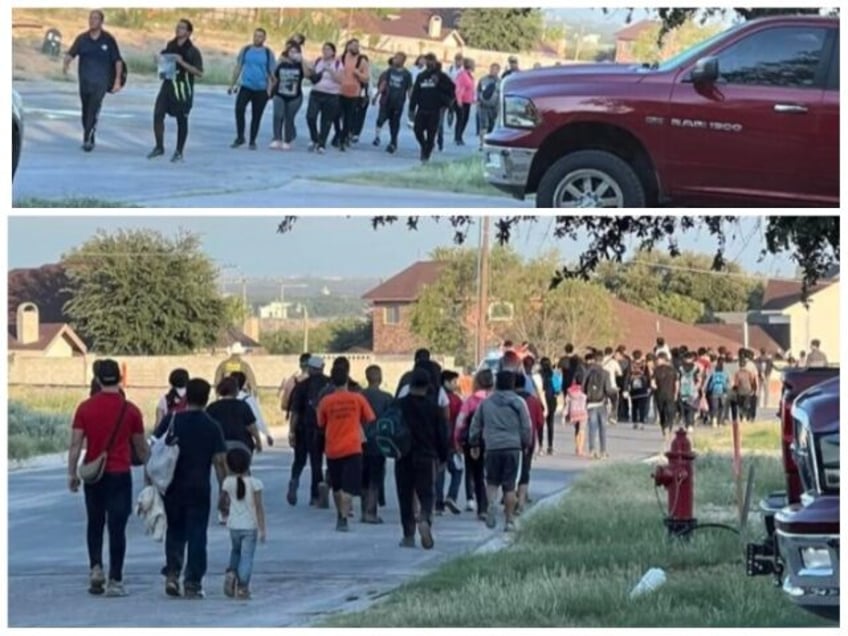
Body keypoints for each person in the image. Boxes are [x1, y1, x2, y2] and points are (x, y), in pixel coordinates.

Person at [68, 359, 148, 597]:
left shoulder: (85, 408)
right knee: (117, 528)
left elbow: (74, 445)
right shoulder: (131, 410)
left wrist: (72, 473)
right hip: (120, 474)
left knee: (95, 523)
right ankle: (115, 579)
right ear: (120, 379)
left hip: (94, 475)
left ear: (98, 380)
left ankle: (95, 568)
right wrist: (151, 470)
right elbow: (141, 448)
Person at [154, 378, 228, 599]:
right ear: (207, 398)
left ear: (186, 397)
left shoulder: (172, 420)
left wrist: (150, 481)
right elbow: (220, 462)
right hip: (199, 488)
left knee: (175, 531)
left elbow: (154, 448)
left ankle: (173, 574)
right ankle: (193, 582)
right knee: (197, 534)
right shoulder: (212, 426)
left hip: (173, 486)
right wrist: (224, 492)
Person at [469, 370, 532, 532]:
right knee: (509, 486)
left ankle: (491, 504)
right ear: (512, 384)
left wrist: (474, 443)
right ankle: (509, 520)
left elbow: (475, 424)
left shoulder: (486, 403)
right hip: (513, 447)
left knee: (492, 482)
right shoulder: (518, 402)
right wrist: (526, 444)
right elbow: (526, 426)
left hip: (492, 448)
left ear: (497, 384)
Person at [316, 365, 376, 532]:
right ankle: (343, 517)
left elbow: (320, 423)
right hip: (353, 447)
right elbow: (370, 417)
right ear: (348, 379)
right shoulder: (358, 399)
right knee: (349, 487)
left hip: (333, 448)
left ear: (332, 381)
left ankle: (339, 514)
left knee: (337, 486)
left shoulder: (326, 401)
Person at [396, 369, 449, 548]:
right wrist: (443, 457)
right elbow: (443, 435)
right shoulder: (434, 409)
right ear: (428, 387)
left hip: (402, 456)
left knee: (405, 496)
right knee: (426, 494)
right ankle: (425, 518)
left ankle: (408, 535)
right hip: (426, 456)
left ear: (410, 385)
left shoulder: (398, 405)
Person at [63, 10, 123, 152]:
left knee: (93, 109)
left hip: (101, 82)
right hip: (85, 81)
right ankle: (90, 134)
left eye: (95, 19)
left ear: (101, 22)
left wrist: (117, 80)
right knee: (86, 110)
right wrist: (66, 64)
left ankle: (87, 139)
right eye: (90, 18)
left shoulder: (108, 39)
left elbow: (117, 61)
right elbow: (71, 53)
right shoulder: (82, 39)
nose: (92, 21)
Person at [206, 377, 261, 524]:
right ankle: (244, 511)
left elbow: (208, 429)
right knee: (243, 479)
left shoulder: (212, 407)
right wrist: (259, 441)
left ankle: (224, 512)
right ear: (236, 390)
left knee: (223, 481)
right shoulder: (242, 406)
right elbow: (252, 427)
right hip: (240, 446)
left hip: (219, 448)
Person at [147, 19, 203, 163]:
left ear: (189, 32)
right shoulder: (170, 45)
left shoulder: (193, 51)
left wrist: (182, 62)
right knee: (158, 114)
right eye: (177, 27)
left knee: (182, 120)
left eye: (182, 28)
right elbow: (164, 60)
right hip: (167, 86)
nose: (178, 30)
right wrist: (158, 60)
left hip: (183, 89)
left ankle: (179, 151)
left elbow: (199, 72)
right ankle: (159, 146)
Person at [221, 446, 266, 600]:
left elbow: (225, 502)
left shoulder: (227, 482)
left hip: (233, 526)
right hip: (250, 526)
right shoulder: (255, 483)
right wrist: (262, 529)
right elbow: (259, 507)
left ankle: (231, 573)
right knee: (246, 557)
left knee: (235, 551)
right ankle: (242, 587)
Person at [287, 356, 330, 507]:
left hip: (302, 428)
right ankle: (315, 496)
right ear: (323, 367)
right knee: (316, 463)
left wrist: (291, 431)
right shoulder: (329, 384)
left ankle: (294, 479)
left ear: (310, 368)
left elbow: (295, 411)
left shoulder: (301, 386)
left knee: (299, 459)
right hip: (321, 429)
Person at [228, 28, 276, 150]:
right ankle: (240, 137)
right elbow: (239, 66)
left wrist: (269, 90)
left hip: (261, 89)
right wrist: (232, 84)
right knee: (239, 109)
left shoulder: (268, 53)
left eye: (260, 36)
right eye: (255, 36)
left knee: (256, 115)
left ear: (264, 39)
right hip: (246, 86)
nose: (257, 38)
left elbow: (271, 73)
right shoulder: (246, 50)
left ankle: (252, 140)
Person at [455, 368, 494, 517]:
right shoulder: (495, 400)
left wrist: (457, 440)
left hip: (473, 442)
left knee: (476, 474)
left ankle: (480, 507)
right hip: (493, 441)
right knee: (492, 475)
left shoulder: (470, 401)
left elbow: (460, 422)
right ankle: (492, 503)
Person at [361, 365, 393, 523]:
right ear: (380, 378)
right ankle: (371, 511)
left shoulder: (359, 396)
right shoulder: (387, 398)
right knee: (375, 478)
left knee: (364, 477)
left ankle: (363, 509)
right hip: (379, 442)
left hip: (360, 441)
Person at [409, 54, 455, 164]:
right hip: (422, 108)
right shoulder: (421, 76)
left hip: (435, 109)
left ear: (435, 61)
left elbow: (452, 88)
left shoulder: (441, 76)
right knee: (417, 130)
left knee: (431, 134)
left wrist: (439, 83)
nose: (429, 63)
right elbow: (415, 93)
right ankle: (424, 146)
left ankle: (426, 155)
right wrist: (411, 109)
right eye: (427, 61)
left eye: (431, 61)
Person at [435, 370, 464, 515]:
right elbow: (460, 422)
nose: (456, 384)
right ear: (445, 382)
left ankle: (438, 504)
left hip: (437, 440)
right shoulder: (455, 400)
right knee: (457, 471)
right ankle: (451, 496)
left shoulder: (434, 397)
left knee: (439, 472)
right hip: (452, 441)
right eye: (453, 382)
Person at [371, 53, 413, 154]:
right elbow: (384, 83)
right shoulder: (390, 71)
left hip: (398, 102)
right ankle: (377, 137)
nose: (395, 60)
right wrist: (376, 95)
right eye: (394, 58)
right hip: (386, 100)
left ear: (403, 60)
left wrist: (412, 103)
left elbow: (409, 89)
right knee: (380, 119)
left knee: (394, 123)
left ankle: (393, 142)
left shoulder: (407, 74)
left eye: (397, 58)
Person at [306, 43, 343, 154]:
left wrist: (330, 70)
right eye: (324, 49)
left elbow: (340, 80)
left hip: (331, 95)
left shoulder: (338, 64)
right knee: (310, 117)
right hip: (316, 93)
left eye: (328, 49)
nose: (325, 51)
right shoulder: (318, 61)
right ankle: (314, 137)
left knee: (326, 121)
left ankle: (322, 143)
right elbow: (312, 75)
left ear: (333, 52)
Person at [270, 41, 308, 149]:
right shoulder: (282, 63)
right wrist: (270, 90)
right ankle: (277, 138)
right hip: (280, 93)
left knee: (289, 118)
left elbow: (307, 74)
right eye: (291, 51)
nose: (293, 54)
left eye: (296, 52)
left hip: (295, 96)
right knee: (278, 115)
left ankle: (287, 139)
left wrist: (302, 61)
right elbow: (274, 77)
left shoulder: (301, 65)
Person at [582, 351, 618, 459]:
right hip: (601, 403)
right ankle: (603, 451)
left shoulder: (588, 372)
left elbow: (583, 388)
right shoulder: (605, 373)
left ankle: (592, 450)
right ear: (602, 360)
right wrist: (613, 393)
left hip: (590, 403)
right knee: (602, 427)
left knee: (592, 427)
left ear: (594, 360)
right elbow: (608, 389)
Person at [338, 39, 370, 151]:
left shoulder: (361, 61)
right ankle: (339, 134)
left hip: (354, 93)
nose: (356, 48)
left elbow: (366, 78)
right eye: (353, 46)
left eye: (357, 46)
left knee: (348, 118)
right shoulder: (341, 58)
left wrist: (358, 73)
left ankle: (343, 139)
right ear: (348, 47)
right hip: (340, 91)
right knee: (336, 115)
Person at [232, 371, 273, 447]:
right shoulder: (248, 399)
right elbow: (257, 417)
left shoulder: (222, 400)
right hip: (243, 438)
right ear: (244, 383)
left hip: (226, 438)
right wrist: (266, 434)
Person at [651, 352, 678, 443]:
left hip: (661, 394)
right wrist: (676, 393)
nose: (657, 361)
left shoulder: (659, 370)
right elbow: (677, 383)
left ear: (663, 359)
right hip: (668, 394)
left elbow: (653, 382)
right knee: (668, 412)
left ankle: (665, 428)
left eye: (658, 359)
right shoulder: (671, 370)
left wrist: (653, 386)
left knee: (663, 412)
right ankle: (668, 428)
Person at [476, 63, 500, 149]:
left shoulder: (500, 82)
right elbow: (478, 91)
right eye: (491, 69)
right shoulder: (483, 80)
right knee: (483, 126)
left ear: (498, 71)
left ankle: (489, 142)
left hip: (494, 108)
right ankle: (482, 144)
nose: (492, 71)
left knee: (491, 126)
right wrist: (479, 100)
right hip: (483, 107)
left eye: (495, 69)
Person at [280, 353, 311, 418]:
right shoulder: (318, 382)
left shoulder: (291, 381)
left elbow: (284, 405)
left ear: (300, 365)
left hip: (296, 420)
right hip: (313, 421)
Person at [453, 58, 475, 146]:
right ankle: (457, 137)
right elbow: (459, 89)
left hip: (467, 101)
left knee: (465, 119)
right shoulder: (462, 75)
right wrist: (459, 100)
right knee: (460, 119)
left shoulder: (469, 75)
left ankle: (459, 136)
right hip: (461, 101)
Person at [677, 351, 701, 432]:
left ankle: (687, 424)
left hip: (682, 391)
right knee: (691, 409)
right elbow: (699, 380)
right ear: (692, 359)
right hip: (692, 392)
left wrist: (677, 390)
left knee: (684, 409)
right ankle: (690, 425)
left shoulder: (680, 368)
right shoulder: (696, 368)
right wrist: (696, 389)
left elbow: (677, 380)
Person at [538, 357, 558, 455]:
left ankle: (540, 446)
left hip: (540, 401)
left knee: (540, 424)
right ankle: (550, 446)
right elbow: (557, 389)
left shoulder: (538, 375)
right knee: (550, 424)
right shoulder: (554, 374)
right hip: (551, 400)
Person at [564, 378, 588, 456]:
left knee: (577, 430)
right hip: (582, 412)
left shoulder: (570, 392)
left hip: (573, 413)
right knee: (582, 430)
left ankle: (577, 447)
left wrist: (565, 414)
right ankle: (581, 449)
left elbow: (567, 404)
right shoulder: (583, 391)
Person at [629, 351, 650, 429]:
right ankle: (641, 422)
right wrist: (649, 386)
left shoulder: (630, 365)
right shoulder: (644, 365)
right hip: (643, 388)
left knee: (634, 406)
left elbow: (628, 376)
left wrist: (626, 387)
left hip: (633, 388)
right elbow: (648, 376)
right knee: (642, 407)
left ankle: (635, 422)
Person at [706, 359, 730, 427]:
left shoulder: (713, 375)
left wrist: (709, 390)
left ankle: (714, 420)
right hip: (722, 392)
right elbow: (726, 384)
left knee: (714, 407)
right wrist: (726, 391)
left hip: (714, 392)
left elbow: (710, 384)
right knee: (721, 407)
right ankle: (720, 422)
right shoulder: (725, 375)